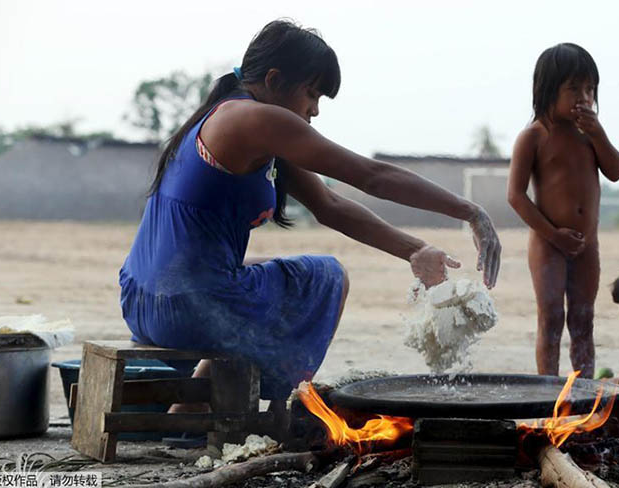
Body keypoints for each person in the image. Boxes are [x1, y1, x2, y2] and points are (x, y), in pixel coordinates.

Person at [119, 20, 501, 420]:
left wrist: (415, 250)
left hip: (141, 299)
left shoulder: (231, 119)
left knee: (269, 271)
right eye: (311, 94)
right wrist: (470, 211)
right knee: (328, 278)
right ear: (274, 80)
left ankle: (190, 407)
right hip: (187, 307)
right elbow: (372, 176)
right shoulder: (254, 119)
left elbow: (329, 205)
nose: (314, 110)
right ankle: (280, 413)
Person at [507, 43, 619, 378]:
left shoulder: (589, 135)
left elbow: (615, 171)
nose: (584, 98)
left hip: (587, 244)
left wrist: (599, 134)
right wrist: (554, 235)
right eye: (573, 89)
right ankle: (549, 389)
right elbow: (516, 196)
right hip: (549, 244)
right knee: (552, 317)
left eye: (590, 89)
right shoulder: (533, 136)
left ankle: (583, 390)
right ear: (547, 90)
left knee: (583, 318)